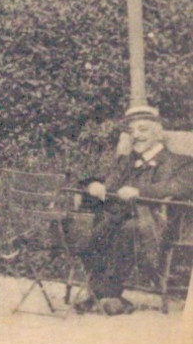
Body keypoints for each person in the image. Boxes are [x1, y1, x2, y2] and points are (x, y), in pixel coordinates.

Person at [69, 104, 193, 316]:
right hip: (117, 219)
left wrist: (139, 191)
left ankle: (104, 295)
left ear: (158, 132)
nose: (136, 136)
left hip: (155, 226)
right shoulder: (126, 162)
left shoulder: (179, 163)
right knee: (87, 233)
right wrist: (94, 186)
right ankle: (107, 296)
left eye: (143, 129)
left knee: (126, 230)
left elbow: (180, 188)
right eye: (132, 131)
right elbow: (107, 183)